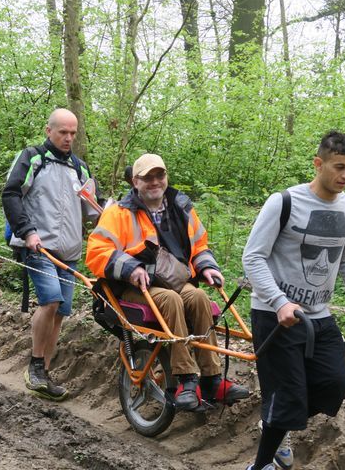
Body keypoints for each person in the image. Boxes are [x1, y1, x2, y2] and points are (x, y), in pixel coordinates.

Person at [242, 131, 345, 470]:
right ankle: (261, 465)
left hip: (318, 315)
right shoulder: (284, 202)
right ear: (318, 164)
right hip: (276, 316)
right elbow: (253, 257)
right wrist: (279, 301)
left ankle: (277, 423)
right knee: (287, 395)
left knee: (334, 384)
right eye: (339, 167)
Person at [86, 153, 249, 410]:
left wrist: (207, 267)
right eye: (147, 177)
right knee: (171, 300)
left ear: (166, 177)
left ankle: (212, 379)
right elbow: (96, 252)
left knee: (198, 297)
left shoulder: (180, 207)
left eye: (159, 175)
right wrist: (130, 268)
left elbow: (199, 246)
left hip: (173, 277)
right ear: (135, 182)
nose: (154, 182)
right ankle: (185, 380)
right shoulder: (118, 213)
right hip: (134, 285)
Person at [2, 108, 99, 401]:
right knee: (51, 301)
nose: (69, 138)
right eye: (63, 132)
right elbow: (11, 194)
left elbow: (93, 210)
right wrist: (27, 231)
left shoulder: (80, 169)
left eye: (73, 133)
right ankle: (34, 365)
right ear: (49, 131)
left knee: (60, 312)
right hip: (38, 246)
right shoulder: (32, 158)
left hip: (69, 250)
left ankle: (43, 371)